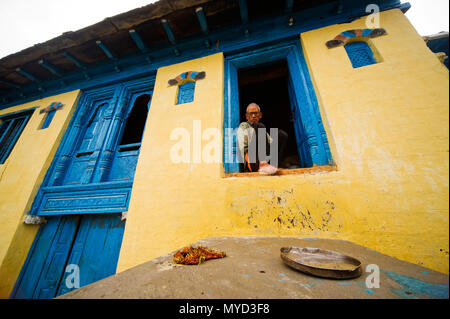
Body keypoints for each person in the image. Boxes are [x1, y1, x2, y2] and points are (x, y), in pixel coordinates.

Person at [237, 103, 288, 174]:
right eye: (251, 113)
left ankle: (274, 165)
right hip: (252, 161)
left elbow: (270, 145)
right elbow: (242, 147)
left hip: (266, 158)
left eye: (256, 113)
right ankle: (263, 163)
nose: (253, 116)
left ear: (260, 115)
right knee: (259, 126)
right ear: (247, 116)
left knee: (282, 135)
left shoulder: (261, 129)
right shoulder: (244, 126)